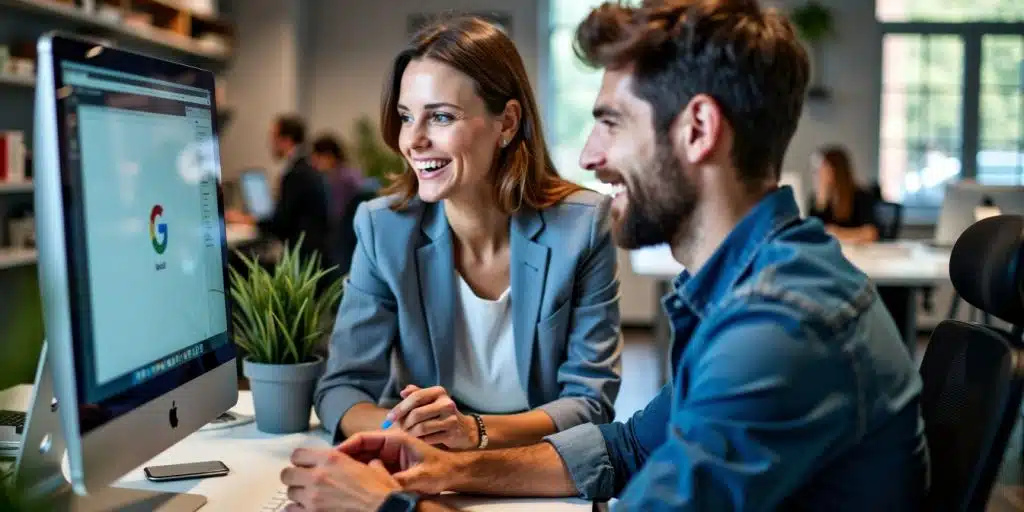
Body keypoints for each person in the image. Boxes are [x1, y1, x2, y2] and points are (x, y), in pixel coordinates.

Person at [278, 1, 927, 511]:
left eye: (612, 122)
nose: (589, 156)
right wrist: (446, 469)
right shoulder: (753, 284)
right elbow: (627, 446)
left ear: (697, 130)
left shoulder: (781, 327)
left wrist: (388, 503)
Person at [310, 15, 624, 459]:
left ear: (508, 123)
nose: (413, 141)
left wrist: (473, 431)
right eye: (405, 117)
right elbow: (342, 388)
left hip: (538, 462)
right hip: (431, 462)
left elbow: (591, 401)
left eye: (440, 116)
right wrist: (402, 432)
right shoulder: (384, 228)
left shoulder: (582, 227)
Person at [226, 114, 334, 270]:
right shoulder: (307, 167)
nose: (270, 143)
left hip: (302, 262)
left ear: (286, 140)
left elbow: (279, 225)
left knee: (235, 260)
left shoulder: (296, 174)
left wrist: (244, 219)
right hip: (315, 256)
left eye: (273, 137)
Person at [808, 145, 880, 244]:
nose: (819, 173)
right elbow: (812, 232)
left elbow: (870, 233)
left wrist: (839, 233)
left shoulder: (861, 196)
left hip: (858, 253)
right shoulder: (817, 198)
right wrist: (821, 202)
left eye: (823, 167)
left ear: (836, 169)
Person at [309, 133, 369, 221]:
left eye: (317, 158)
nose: (314, 164)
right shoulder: (334, 176)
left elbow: (338, 214)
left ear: (328, 156)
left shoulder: (344, 178)